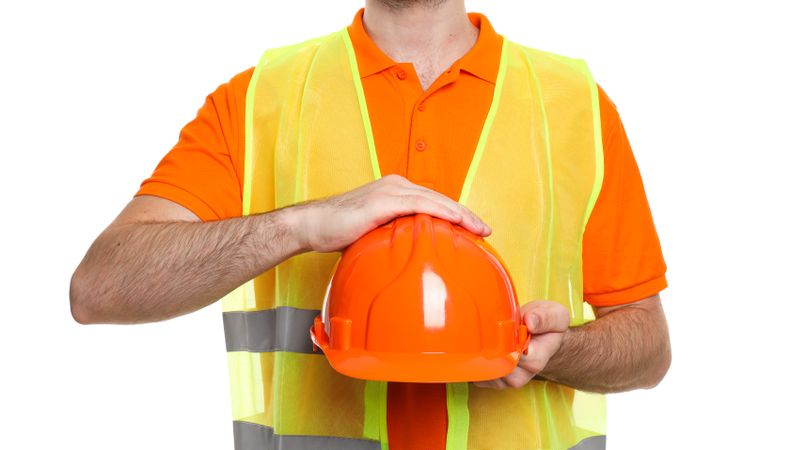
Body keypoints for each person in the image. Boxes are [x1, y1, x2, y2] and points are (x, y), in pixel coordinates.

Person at [70, 0, 671, 448]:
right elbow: (99, 288)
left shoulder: (574, 106)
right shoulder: (261, 102)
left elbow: (649, 346)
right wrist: (301, 224)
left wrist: (557, 351)